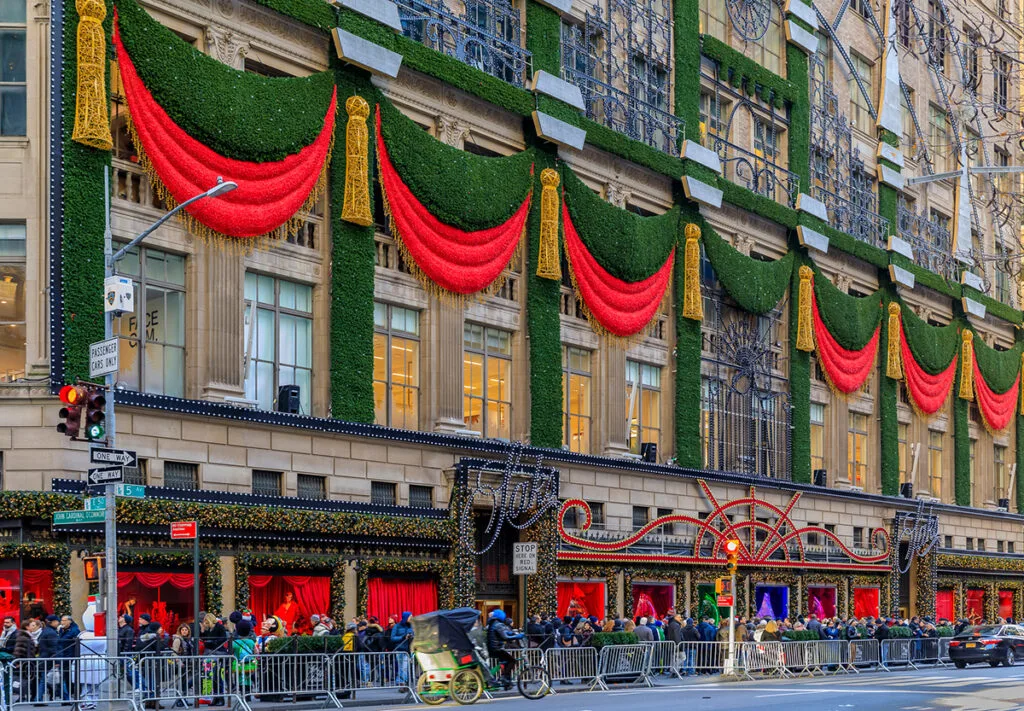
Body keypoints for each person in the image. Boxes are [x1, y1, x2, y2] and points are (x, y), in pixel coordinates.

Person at [485, 610, 523, 688]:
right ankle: (505, 679)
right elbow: (505, 637)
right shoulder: (498, 624)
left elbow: (503, 632)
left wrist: (512, 633)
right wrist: (518, 636)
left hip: (493, 648)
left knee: (506, 661)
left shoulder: (493, 623)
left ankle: (506, 680)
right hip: (497, 648)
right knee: (512, 660)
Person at [390, 612, 414, 689]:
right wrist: (403, 637)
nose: (411, 618)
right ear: (406, 617)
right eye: (410, 617)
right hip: (400, 649)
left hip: (408, 650)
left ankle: (403, 682)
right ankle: (402, 682)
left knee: (405, 667)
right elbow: (392, 638)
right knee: (402, 667)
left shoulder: (411, 626)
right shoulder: (397, 626)